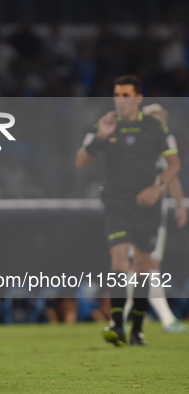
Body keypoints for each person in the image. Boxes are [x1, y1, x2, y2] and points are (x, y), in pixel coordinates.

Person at [75, 75, 181, 346]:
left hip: (148, 206)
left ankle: (136, 328)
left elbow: (174, 165)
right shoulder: (106, 124)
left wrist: (158, 187)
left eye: (125, 95)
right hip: (116, 204)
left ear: (137, 98)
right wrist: (100, 138)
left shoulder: (154, 128)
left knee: (144, 268)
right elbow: (80, 161)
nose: (119, 100)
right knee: (119, 262)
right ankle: (117, 323)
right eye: (116, 94)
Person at [121, 103, 188, 333]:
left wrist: (179, 205)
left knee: (142, 265)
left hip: (156, 215)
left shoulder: (162, 148)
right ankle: (166, 317)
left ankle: (125, 314)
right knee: (147, 264)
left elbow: (173, 178)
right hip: (135, 213)